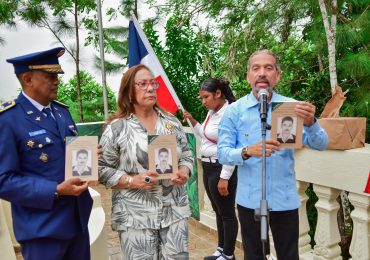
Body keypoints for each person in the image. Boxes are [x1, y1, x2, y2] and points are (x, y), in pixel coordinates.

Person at [218, 49, 328, 260]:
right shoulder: (235, 111)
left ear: (277, 75)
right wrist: (247, 151)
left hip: (284, 199)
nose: (262, 73)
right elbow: (222, 154)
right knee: (254, 255)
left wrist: (311, 123)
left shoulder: (292, 107)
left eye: (268, 68)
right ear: (248, 75)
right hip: (249, 200)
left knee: (289, 255)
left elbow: (321, 144)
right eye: (256, 68)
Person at [0, 47, 93, 260]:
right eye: (50, 76)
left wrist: (87, 158)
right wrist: (56, 190)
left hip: (77, 223)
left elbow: (64, 158)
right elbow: (3, 180)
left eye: (57, 75)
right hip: (42, 231)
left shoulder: (62, 112)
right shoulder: (7, 120)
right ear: (27, 79)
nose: (57, 81)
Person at [98, 64, 194, 259]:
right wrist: (132, 181)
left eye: (153, 83)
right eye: (142, 84)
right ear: (129, 91)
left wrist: (184, 170)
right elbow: (101, 169)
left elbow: (186, 154)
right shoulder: (116, 129)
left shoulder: (171, 122)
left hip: (174, 212)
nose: (150, 88)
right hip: (135, 217)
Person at [183, 78, 238, 260]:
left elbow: (232, 146)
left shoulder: (230, 112)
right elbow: (204, 135)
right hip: (208, 167)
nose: (203, 101)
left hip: (221, 167)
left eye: (206, 97)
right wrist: (192, 120)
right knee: (218, 211)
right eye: (202, 98)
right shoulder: (212, 112)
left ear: (218, 94)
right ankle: (221, 249)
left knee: (227, 213)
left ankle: (229, 255)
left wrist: (225, 177)